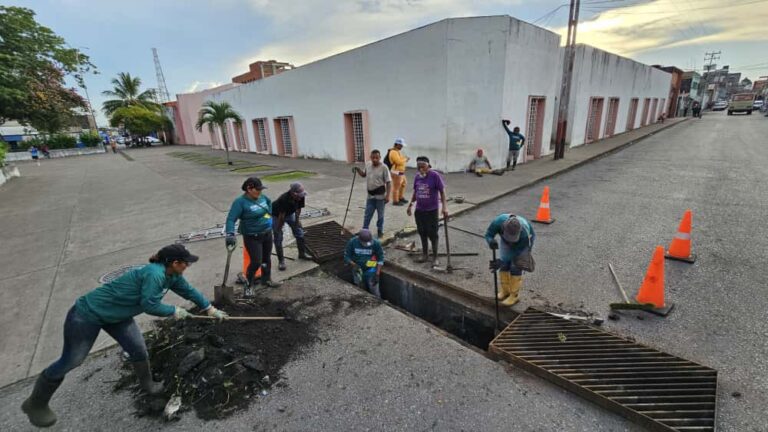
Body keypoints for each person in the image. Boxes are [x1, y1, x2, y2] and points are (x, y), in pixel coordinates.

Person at [21, 244, 227, 428]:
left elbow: (188, 291)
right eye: (186, 263)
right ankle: (36, 403)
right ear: (175, 263)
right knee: (73, 360)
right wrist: (174, 311)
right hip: (87, 314)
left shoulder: (172, 275)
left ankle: (148, 385)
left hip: (118, 316)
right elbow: (150, 305)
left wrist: (209, 309)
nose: (188, 266)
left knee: (138, 349)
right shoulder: (154, 274)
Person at [226, 176, 281, 296]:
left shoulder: (263, 197)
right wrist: (230, 234)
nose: (260, 192)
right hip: (252, 237)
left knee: (266, 259)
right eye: (257, 189)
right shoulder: (240, 202)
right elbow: (231, 219)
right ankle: (249, 286)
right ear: (249, 189)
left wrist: (268, 218)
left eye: (261, 189)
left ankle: (266, 279)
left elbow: (269, 205)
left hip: (267, 233)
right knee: (256, 262)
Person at [485, 214, 536, 307]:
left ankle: (514, 295)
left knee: (515, 266)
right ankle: (505, 291)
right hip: (505, 241)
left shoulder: (524, 233)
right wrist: (490, 241)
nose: (511, 241)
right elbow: (488, 234)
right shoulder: (498, 222)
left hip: (523, 244)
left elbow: (515, 253)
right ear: (503, 229)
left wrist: (502, 261)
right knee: (504, 266)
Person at [406, 156, 449, 266]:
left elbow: (442, 191)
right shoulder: (417, 177)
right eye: (419, 167)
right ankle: (425, 254)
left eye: (423, 167)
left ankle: (435, 256)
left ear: (428, 166)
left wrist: (444, 207)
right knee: (422, 232)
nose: (421, 169)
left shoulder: (435, 175)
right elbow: (415, 192)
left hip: (432, 211)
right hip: (419, 210)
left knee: (433, 234)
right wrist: (410, 205)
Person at [271, 182, 312, 271]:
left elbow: (298, 209)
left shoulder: (301, 196)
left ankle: (302, 254)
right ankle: (281, 261)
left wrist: (297, 221)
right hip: (276, 215)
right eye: (299, 195)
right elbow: (281, 217)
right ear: (294, 193)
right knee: (278, 237)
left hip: (290, 214)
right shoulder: (284, 199)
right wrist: (279, 228)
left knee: (299, 233)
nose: (301, 197)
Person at [353, 149, 392, 238]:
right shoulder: (368, 164)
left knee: (380, 215)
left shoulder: (384, 167)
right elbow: (364, 174)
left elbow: (388, 182)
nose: (375, 159)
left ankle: (380, 230)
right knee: (367, 214)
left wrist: (388, 196)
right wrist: (358, 169)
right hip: (370, 196)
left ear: (380, 157)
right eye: (373, 157)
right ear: (370, 157)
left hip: (380, 197)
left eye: (376, 158)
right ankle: (364, 230)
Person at [344, 229, 384, 298]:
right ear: (359, 240)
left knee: (374, 290)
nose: (367, 245)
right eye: (365, 243)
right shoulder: (352, 242)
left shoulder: (376, 243)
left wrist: (377, 274)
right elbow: (347, 257)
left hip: (371, 270)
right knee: (360, 289)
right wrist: (354, 265)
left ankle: (378, 302)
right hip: (357, 270)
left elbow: (380, 258)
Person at [387, 137, 409, 206]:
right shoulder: (393, 152)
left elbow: (400, 159)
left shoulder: (397, 151)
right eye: (401, 145)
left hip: (400, 171)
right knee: (396, 187)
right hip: (396, 172)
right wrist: (405, 159)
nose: (402, 147)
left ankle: (400, 197)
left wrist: (404, 158)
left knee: (403, 184)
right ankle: (395, 201)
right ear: (397, 144)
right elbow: (398, 162)